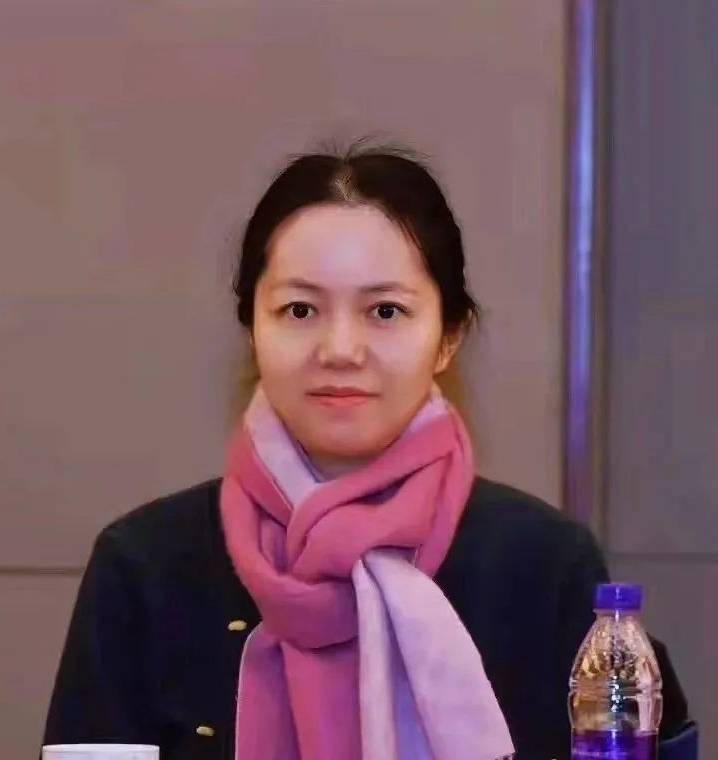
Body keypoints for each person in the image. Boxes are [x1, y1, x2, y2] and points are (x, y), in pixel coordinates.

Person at [43, 142, 696, 760]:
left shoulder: (543, 565)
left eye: (384, 312)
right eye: (300, 311)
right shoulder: (146, 565)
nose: (340, 350)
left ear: (447, 337)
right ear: (252, 329)